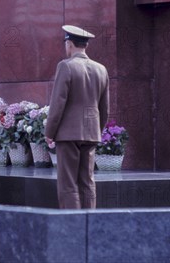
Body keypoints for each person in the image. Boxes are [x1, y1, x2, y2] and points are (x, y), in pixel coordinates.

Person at [44, 25, 109, 209]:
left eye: (66, 43)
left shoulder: (66, 66)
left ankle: (72, 225)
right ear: (85, 45)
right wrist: (97, 130)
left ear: (69, 44)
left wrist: (50, 132)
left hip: (68, 135)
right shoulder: (101, 69)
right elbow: (104, 109)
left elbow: (58, 103)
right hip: (91, 134)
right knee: (87, 182)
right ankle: (89, 221)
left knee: (68, 184)